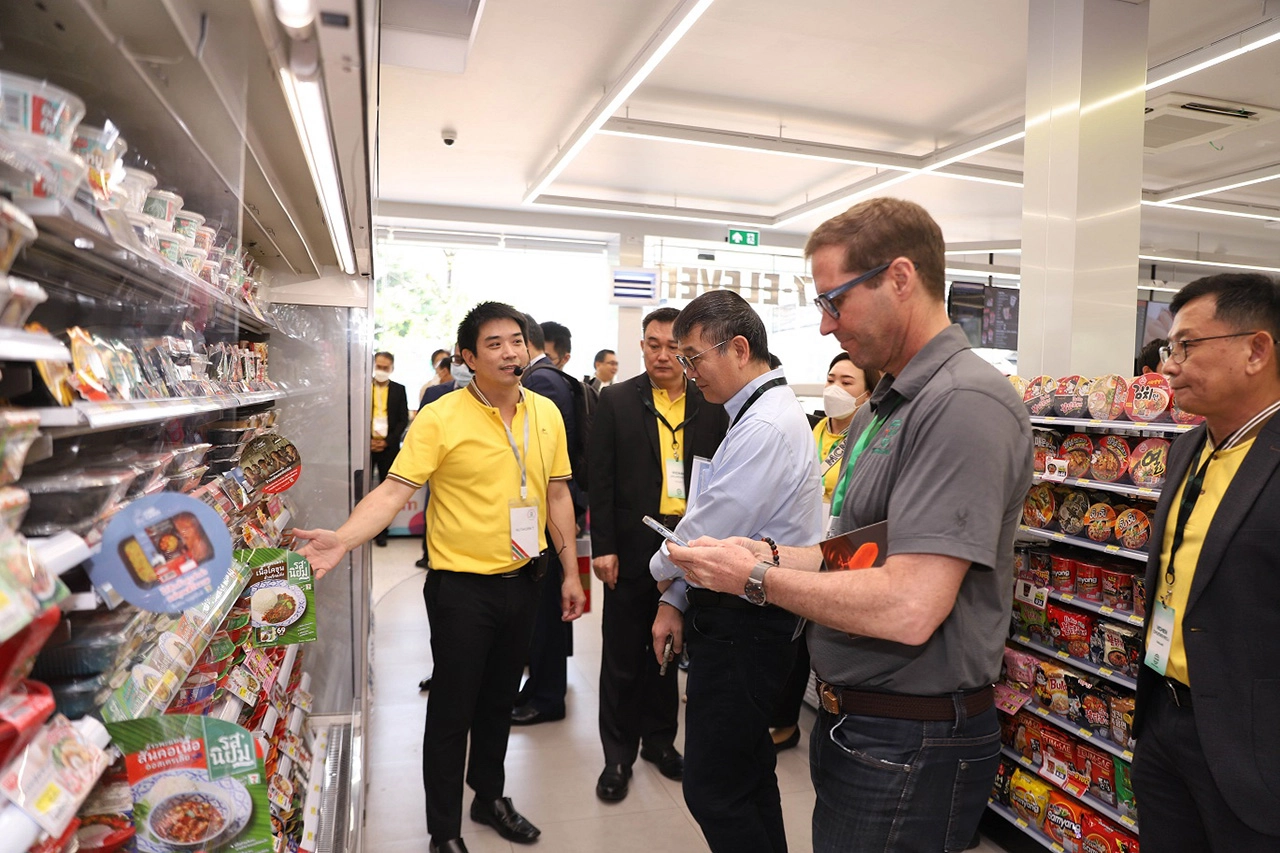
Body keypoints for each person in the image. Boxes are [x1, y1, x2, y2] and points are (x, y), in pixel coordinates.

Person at [667, 197, 1032, 853]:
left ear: (900, 279)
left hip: (913, 734)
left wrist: (755, 578)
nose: (825, 325)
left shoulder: (963, 403)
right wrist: (771, 553)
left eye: (836, 301)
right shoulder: (883, 407)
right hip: (862, 724)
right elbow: (863, 550)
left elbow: (910, 604)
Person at [294, 302, 586, 853]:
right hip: (461, 591)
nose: (510, 352)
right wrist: (345, 538)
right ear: (469, 358)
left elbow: (557, 495)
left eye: (517, 341)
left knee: (500, 699)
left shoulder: (546, 412)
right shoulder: (441, 415)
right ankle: (443, 831)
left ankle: (489, 796)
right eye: (494, 343)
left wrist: (571, 573)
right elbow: (393, 490)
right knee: (453, 709)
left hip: (526, 579)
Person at [648, 290, 823, 853]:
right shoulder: (756, 412)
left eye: (694, 357)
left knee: (714, 789)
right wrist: (675, 596)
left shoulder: (766, 425)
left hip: (746, 624)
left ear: (740, 349)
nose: (688, 372)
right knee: (746, 775)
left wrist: (660, 568)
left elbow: (706, 532)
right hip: (740, 615)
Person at [1132, 273, 1280, 851]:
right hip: (1164, 718)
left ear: (1256, 350)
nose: (1168, 366)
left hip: (1252, 748)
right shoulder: (1187, 447)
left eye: (1186, 346)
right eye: (1170, 347)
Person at [589, 307, 729, 801]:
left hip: (689, 542)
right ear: (642, 346)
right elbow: (600, 479)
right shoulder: (616, 400)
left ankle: (660, 741)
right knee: (623, 652)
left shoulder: (709, 402)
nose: (663, 355)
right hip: (631, 543)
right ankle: (617, 756)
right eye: (654, 345)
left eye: (673, 346)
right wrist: (603, 547)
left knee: (670, 647)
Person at [768, 352, 881, 753]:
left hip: (842, 550)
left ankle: (792, 721)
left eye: (847, 382)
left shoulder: (869, 437)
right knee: (788, 631)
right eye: (831, 378)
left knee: (815, 631)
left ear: (868, 392)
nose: (835, 388)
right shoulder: (811, 429)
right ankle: (780, 715)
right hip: (800, 542)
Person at [511, 317, 584, 725]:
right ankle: (538, 687)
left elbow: (550, 462)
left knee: (546, 613)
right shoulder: (547, 376)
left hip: (546, 513)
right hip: (541, 512)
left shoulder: (542, 382)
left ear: (527, 343)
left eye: (513, 342)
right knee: (542, 611)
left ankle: (547, 696)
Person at [370, 351, 409, 547]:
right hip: (365, 447)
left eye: (385, 368)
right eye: (378, 366)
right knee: (361, 489)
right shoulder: (363, 388)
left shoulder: (399, 390)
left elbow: (403, 420)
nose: (381, 370)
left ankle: (382, 532)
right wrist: (367, 441)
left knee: (386, 491)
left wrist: (387, 441)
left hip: (389, 447)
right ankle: (361, 529)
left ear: (392, 369)